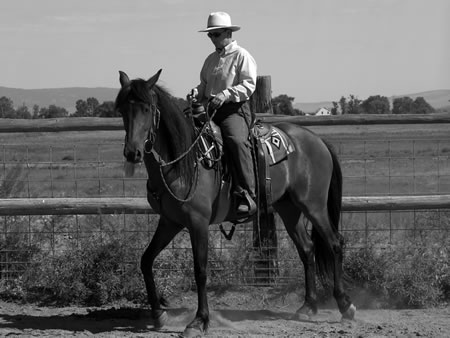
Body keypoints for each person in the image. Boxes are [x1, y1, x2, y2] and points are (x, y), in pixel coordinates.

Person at [188, 11, 257, 216]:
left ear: (228, 33)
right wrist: (196, 92)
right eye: (210, 35)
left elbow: (249, 85)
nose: (212, 39)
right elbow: (204, 85)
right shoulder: (210, 59)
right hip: (210, 110)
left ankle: (246, 193)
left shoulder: (241, 55)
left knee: (235, 140)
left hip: (233, 111)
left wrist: (227, 94)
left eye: (215, 34)